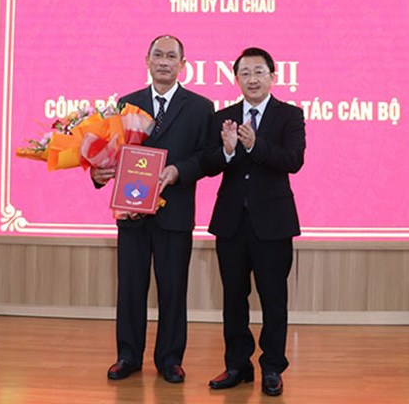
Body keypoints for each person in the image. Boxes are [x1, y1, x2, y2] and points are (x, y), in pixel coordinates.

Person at [90, 35, 213, 384]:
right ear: (146, 60)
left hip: (175, 213)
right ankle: (127, 355)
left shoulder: (201, 107)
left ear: (182, 65)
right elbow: (112, 153)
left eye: (171, 56)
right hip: (131, 213)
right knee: (130, 286)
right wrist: (98, 173)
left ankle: (170, 358)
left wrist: (178, 171)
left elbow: (207, 157)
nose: (163, 61)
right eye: (157, 55)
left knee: (173, 287)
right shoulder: (127, 104)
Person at [202, 47, 306, 397]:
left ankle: (273, 367)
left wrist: (256, 145)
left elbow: (293, 161)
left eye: (259, 72)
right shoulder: (224, 116)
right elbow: (209, 163)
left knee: (274, 298)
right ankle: (237, 365)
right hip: (231, 223)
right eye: (244, 73)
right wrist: (228, 150)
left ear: (273, 77)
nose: (252, 79)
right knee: (234, 297)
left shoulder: (289, 116)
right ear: (236, 79)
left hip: (273, 224)